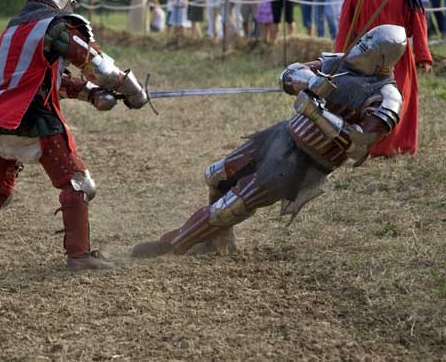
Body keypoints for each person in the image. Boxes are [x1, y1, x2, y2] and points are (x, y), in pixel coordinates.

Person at [131, 25, 408, 258]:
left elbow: (361, 142)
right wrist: (310, 83)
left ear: (383, 56)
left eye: (371, 42)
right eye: (365, 36)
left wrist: (318, 113)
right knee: (215, 176)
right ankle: (215, 239)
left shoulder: (386, 95)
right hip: (281, 135)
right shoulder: (339, 62)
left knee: (230, 206)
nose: (362, 42)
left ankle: (173, 246)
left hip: (302, 162)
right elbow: (288, 74)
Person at [0, 0, 148, 272]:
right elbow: (99, 67)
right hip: (35, 119)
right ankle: (79, 256)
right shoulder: (56, 27)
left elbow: (41, 80)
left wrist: (91, 95)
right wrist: (133, 90)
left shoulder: (11, 30)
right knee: (79, 183)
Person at [335, 0, 432, 156]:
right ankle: (366, 145)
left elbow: (419, 21)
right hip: (365, 55)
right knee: (366, 100)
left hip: (397, 55)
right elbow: (346, 21)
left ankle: (396, 146)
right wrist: (341, 52)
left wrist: (423, 56)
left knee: (397, 100)